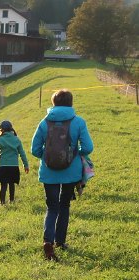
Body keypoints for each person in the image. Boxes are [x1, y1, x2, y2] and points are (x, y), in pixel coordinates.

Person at [31, 89, 93, 261]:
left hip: (49, 173)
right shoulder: (78, 122)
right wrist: (74, 153)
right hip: (70, 173)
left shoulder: (44, 123)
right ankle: (60, 241)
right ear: (71, 103)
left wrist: (48, 156)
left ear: (54, 103)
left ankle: (47, 242)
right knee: (64, 206)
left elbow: (34, 150)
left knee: (52, 207)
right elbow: (88, 147)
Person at [0, 120, 29, 205]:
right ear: (11, 128)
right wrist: (26, 165)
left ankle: (2, 203)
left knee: (3, 185)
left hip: (3, 166)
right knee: (12, 184)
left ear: (1, 129)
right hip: (14, 166)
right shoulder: (16, 139)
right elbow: (22, 153)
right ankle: (11, 201)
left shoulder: (0, 139)